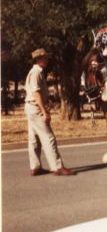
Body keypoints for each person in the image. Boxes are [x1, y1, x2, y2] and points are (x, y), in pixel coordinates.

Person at [24, 48, 75, 176]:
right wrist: (44, 111)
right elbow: (36, 93)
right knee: (49, 137)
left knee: (34, 139)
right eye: (45, 57)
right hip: (35, 108)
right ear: (39, 59)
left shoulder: (36, 72)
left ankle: (35, 167)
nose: (47, 60)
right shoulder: (36, 72)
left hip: (30, 107)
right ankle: (57, 167)